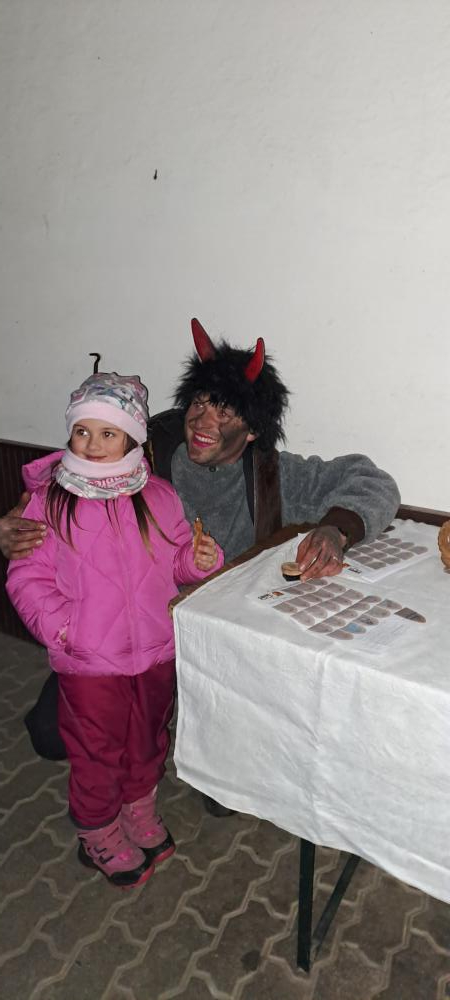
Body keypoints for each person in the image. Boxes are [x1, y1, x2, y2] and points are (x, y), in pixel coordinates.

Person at [2, 318, 400, 812]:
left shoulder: (274, 475)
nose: (202, 420)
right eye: (199, 403)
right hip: (113, 636)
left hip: (215, 648)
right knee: (49, 736)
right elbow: (62, 484)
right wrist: (14, 530)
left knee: (222, 794)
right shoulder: (144, 452)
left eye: (225, 410)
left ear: (252, 430)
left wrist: (337, 528)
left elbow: (373, 480)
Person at [6, 371, 223, 886]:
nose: (93, 443)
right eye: (82, 431)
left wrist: (198, 561)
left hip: (154, 653)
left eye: (108, 433)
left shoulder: (160, 496)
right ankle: (98, 830)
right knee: (96, 750)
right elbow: (27, 577)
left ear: (133, 438)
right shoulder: (51, 501)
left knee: (146, 739)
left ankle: (138, 809)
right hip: (89, 663)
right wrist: (64, 631)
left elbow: (175, 562)